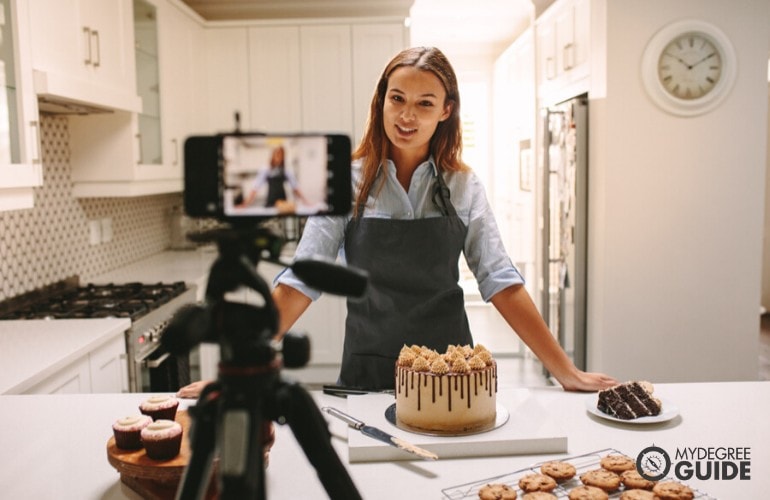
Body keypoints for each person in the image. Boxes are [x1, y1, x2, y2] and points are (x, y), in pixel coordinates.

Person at [178, 46, 616, 399]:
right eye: (397, 99)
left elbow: (501, 281)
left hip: (450, 372)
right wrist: (238, 371)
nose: (407, 117)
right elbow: (300, 281)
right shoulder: (345, 183)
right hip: (369, 366)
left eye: (424, 104)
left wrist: (565, 371)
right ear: (381, 101)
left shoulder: (462, 186)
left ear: (446, 110)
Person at [236, 145, 306, 210]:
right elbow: (255, 188)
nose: (279, 157)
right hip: (270, 203)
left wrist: (306, 203)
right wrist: (244, 204)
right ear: (273, 155)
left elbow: (295, 188)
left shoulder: (286, 170)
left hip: (282, 204)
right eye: (277, 154)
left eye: (281, 155)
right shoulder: (266, 169)